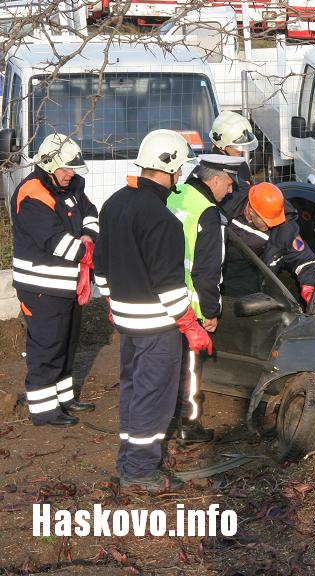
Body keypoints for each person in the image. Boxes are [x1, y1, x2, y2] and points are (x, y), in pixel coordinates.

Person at [93, 130, 213, 493]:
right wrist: (191, 325)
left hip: (126, 322)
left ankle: (130, 457)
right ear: (173, 168)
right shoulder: (164, 221)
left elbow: (100, 265)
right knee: (154, 395)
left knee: (133, 389)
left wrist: (111, 302)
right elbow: (170, 286)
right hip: (157, 325)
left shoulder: (113, 204)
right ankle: (141, 471)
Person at [10, 134, 98, 426]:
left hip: (69, 284)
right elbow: (54, 241)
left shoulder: (71, 185)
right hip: (41, 287)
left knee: (67, 342)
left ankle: (64, 399)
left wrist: (89, 236)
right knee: (47, 346)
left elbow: (90, 213)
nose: (70, 174)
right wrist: (90, 252)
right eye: (64, 169)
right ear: (47, 164)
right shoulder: (32, 194)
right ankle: (44, 411)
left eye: (72, 168)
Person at [166, 154, 245, 444]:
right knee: (190, 369)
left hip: (165, 296)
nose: (231, 189)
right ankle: (189, 425)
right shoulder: (209, 213)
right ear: (214, 180)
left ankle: (166, 415)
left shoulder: (179, 194)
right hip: (191, 305)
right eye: (228, 182)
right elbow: (208, 268)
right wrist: (211, 311)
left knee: (168, 363)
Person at [226, 182, 315, 304]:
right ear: (251, 209)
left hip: (248, 290)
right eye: (266, 220)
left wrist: (310, 286)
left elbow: (306, 261)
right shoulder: (227, 202)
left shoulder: (284, 228)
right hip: (217, 278)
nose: (271, 224)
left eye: (274, 220)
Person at [208, 110, 257, 217]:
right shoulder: (210, 169)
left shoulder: (241, 165)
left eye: (243, 144)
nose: (241, 149)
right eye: (236, 145)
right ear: (222, 144)